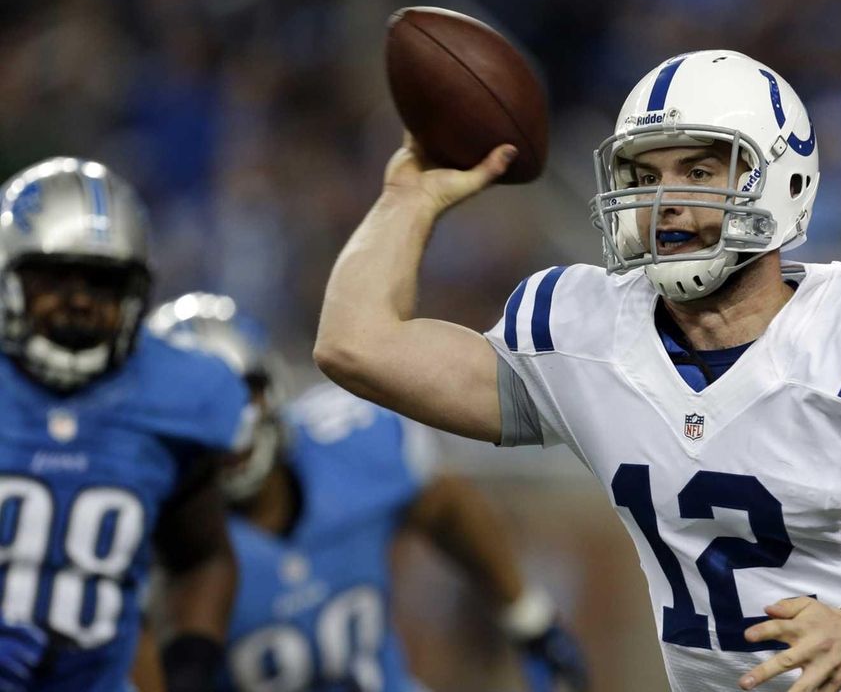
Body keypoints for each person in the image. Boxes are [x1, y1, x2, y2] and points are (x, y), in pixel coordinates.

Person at [314, 50, 841, 691]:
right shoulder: (583, 331)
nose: (665, 201)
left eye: (699, 170)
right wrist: (407, 197)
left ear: (779, 180)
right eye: (644, 172)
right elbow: (356, 343)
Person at [148, 292, 589, 692]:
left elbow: (446, 504)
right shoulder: (145, 534)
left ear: (271, 386)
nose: (228, 424)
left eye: (242, 393)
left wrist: (529, 620)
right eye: (195, 410)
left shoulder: (348, 446)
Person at [0, 158, 248, 692]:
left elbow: (202, 556)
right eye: (54, 277)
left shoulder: (178, 395)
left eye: (102, 282)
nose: (79, 300)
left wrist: (186, 671)